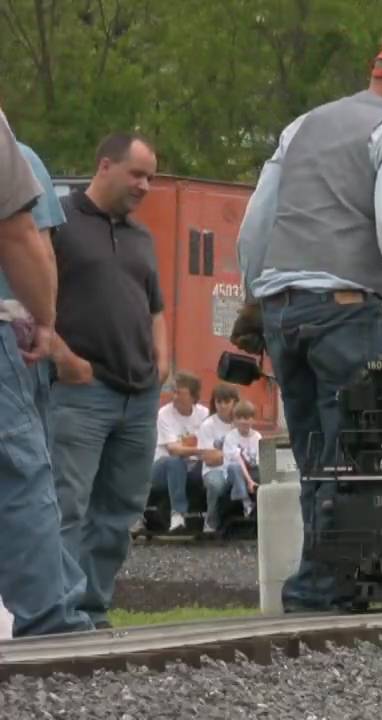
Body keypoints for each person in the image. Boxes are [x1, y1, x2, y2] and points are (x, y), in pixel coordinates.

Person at [232, 38, 382, 612]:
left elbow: (256, 222)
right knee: (352, 451)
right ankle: (325, 589)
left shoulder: (303, 126)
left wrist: (256, 295)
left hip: (283, 310)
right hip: (345, 310)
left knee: (314, 456)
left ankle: (315, 585)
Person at [49, 132, 166, 630]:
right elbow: (30, 295)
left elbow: (155, 307)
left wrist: (163, 359)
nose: (145, 186)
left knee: (120, 513)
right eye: (137, 174)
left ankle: (92, 612)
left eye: (150, 178)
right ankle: (57, 614)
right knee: (67, 506)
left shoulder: (142, 237)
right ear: (104, 166)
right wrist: (62, 356)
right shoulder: (58, 221)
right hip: (81, 389)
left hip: (139, 396)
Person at [0, 108, 94, 636]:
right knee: (19, 475)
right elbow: (25, 238)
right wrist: (47, 322)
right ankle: (52, 624)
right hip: (11, 327)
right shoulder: (21, 157)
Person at [1, 139, 65, 439]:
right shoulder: (19, 157)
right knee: (24, 461)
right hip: (14, 341)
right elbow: (36, 245)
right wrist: (45, 323)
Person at [151, 371, 210, 531]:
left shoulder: (204, 414)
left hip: (192, 467)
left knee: (212, 467)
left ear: (192, 396)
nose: (174, 396)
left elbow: (211, 444)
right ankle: (177, 514)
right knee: (175, 462)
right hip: (162, 469)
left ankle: (213, 519)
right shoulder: (164, 414)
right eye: (174, 391)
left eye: (179, 393)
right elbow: (173, 450)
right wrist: (200, 451)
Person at [196, 383, 240, 533]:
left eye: (226, 402)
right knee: (216, 485)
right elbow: (209, 458)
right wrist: (234, 454)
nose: (222, 406)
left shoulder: (241, 423)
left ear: (235, 402)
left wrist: (222, 454)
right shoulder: (208, 425)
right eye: (218, 402)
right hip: (214, 470)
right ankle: (211, 521)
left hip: (238, 468)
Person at [221, 400, 262, 518]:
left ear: (253, 419)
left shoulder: (257, 436)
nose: (243, 421)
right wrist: (249, 481)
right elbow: (239, 460)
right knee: (235, 467)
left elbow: (259, 460)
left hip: (251, 470)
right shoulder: (231, 437)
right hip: (234, 473)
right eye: (239, 418)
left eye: (247, 418)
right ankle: (246, 502)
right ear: (234, 420)